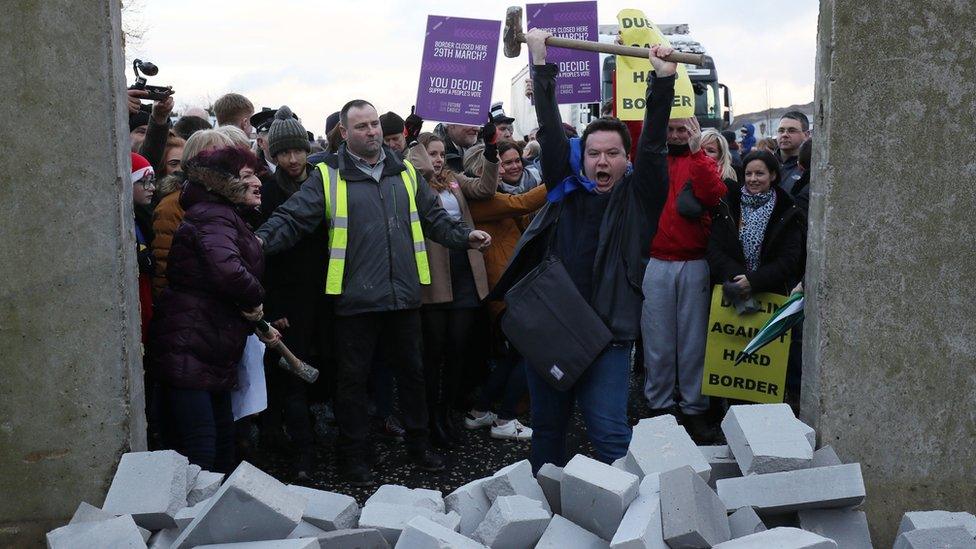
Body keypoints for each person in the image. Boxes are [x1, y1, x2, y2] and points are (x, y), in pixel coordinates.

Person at [255, 99, 492, 485]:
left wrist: (465, 237)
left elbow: (434, 220)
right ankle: (355, 458)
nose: (371, 132)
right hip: (355, 302)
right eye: (362, 126)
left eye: (374, 124)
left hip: (403, 297)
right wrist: (257, 242)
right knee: (353, 383)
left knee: (413, 377)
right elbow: (292, 218)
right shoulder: (327, 176)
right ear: (345, 134)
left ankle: (419, 446)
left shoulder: (407, 175)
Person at [488, 30, 675, 471]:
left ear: (626, 161)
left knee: (608, 430)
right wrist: (539, 56)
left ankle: (634, 526)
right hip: (553, 327)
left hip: (608, 334)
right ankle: (545, 516)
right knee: (548, 429)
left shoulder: (639, 199)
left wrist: (662, 80)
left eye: (613, 153)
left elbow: (652, 145)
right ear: (582, 158)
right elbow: (551, 132)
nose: (603, 162)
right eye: (594, 154)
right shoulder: (564, 191)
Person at [149, 145, 280, 473]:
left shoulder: (222, 214)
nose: (258, 183)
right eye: (248, 176)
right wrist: (255, 299)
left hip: (207, 346)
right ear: (224, 182)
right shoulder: (213, 215)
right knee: (203, 448)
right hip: (191, 343)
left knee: (221, 444)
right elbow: (228, 271)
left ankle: (211, 518)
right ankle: (188, 521)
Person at [641, 107, 726, 443]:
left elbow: (714, 194)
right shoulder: (654, 159)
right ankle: (659, 406)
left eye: (682, 129)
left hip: (694, 262)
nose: (676, 135)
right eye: (671, 129)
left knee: (694, 343)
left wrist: (697, 151)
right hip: (657, 260)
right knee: (658, 341)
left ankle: (693, 409)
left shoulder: (697, 159)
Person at [413, 130, 500, 446]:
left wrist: (490, 151)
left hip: (464, 275)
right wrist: (413, 143)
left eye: (439, 154)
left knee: (457, 352)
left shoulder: (454, 180)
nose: (436, 160)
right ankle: (430, 420)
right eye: (430, 154)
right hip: (435, 278)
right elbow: (418, 172)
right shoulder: (414, 182)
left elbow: (486, 187)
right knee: (433, 354)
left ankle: (446, 413)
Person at [258, 106, 324, 480]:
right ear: (275, 155)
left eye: (297, 150)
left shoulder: (326, 183)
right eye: (284, 153)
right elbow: (268, 255)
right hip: (290, 300)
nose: (293, 159)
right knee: (293, 375)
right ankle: (303, 455)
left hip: (327, 293)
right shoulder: (269, 191)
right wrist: (276, 306)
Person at [707, 149, 805, 299]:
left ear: (772, 175)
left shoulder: (787, 210)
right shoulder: (728, 204)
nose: (753, 179)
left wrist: (754, 281)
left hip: (772, 294)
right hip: (730, 291)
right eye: (748, 174)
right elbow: (715, 248)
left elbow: (789, 258)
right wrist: (739, 279)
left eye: (759, 173)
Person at [151, 130, 236, 296]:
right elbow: (163, 266)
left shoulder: (228, 201)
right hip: (187, 306)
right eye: (223, 158)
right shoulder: (171, 206)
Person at [131, 153, 156, 343]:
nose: (152, 188)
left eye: (152, 181)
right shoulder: (129, 225)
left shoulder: (140, 220)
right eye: (144, 182)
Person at [776, 111, 811, 194]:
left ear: (806, 135)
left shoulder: (810, 168)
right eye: (781, 130)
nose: (784, 134)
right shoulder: (765, 163)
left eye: (791, 131)